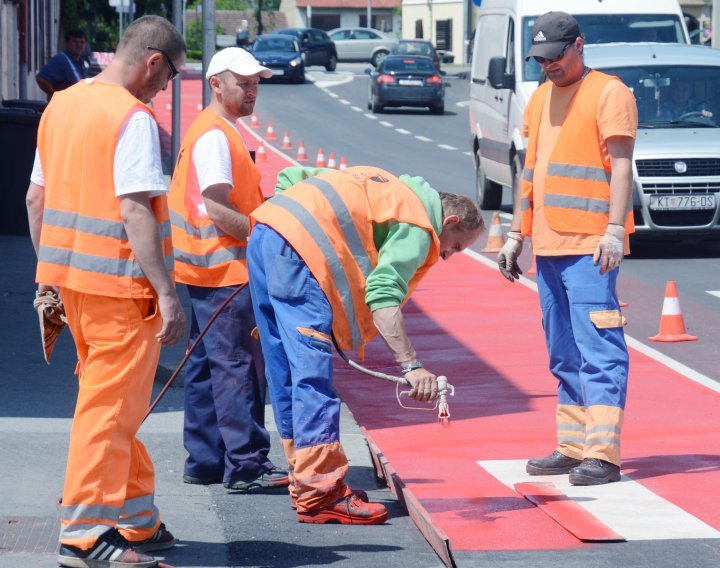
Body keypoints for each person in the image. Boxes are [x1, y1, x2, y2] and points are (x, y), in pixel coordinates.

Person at [25, 15, 187, 568]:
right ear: (153, 63)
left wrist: (49, 272)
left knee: (118, 405)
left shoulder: (62, 106)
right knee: (110, 407)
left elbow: (35, 200)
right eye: (166, 81)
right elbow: (135, 208)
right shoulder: (131, 117)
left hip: (75, 286)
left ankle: (137, 518)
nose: (162, 92)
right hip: (122, 288)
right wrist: (166, 292)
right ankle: (85, 533)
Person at [247, 165, 484, 524]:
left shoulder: (383, 184)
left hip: (267, 232)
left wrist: (282, 237)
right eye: (455, 246)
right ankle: (322, 493)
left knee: (285, 370)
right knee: (311, 373)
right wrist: (411, 365)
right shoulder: (419, 226)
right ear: (448, 221)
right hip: (296, 253)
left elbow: (291, 176)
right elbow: (384, 295)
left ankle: (306, 480)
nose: (447, 256)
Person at [497, 11, 637, 486]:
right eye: (541, 59)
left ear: (579, 46)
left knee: (599, 347)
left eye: (556, 56)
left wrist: (615, 230)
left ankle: (604, 454)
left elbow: (621, 166)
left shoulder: (609, 93)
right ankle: (573, 445)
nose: (549, 66)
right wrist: (518, 233)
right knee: (562, 351)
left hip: (592, 246)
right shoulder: (537, 98)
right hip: (550, 244)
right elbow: (529, 171)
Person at [168, 47, 289, 492]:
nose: (253, 89)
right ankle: (247, 464)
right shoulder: (216, 135)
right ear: (216, 83)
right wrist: (261, 237)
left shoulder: (217, 130)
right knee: (238, 366)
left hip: (205, 271)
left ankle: (204, 460)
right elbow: (217, 207)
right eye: (244, 82)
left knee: (206, 366)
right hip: (225, 273)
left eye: (256, 82)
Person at [36, 29, 89, 99]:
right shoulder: (60, 60)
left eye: (82, 42)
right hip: (62, 107)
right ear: (67, 44)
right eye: (75, 42)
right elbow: (41, 79)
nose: (79, 45)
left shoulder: (82, 63)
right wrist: (55, 95)